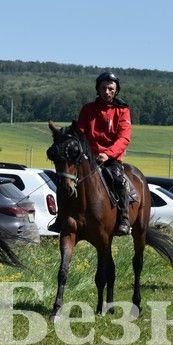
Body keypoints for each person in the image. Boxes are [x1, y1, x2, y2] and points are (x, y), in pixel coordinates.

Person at [77, 71, 133, 235]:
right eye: (103, 88)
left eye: (110, 88)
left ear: (116, 90)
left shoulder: (122, 111)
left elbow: (124, 137)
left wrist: (107, 154)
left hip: (111, 158)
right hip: (88, 157)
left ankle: (124, 219)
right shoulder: (88, 109)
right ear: (98, 89)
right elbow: (80, 132)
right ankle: (62, 217)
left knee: (120, 181)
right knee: (68, 180)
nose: (107, 92)